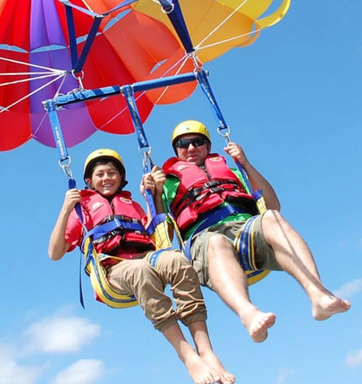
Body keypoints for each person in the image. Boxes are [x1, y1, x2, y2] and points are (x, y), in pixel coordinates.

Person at [48, 149, 235, 384]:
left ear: (121, 177)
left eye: (112, 173)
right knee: (140, 270)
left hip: (147, 257)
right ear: (89, 181)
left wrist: (155, 195)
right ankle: (186, 354)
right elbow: (54, 253)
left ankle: (206, 350)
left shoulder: (132, 205)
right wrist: (66, 208)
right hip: (113, 269)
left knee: (176, 258)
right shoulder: (82, 209)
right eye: (100, 174)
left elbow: (161, 237)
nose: (107, 178)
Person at [162, 121, 350, 343]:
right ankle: (248, 314)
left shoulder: (232, 172)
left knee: (273, 218)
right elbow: (164, 236)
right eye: (183, 144)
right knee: (216, 242)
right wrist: (152, 194)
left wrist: (245, 163)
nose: (191, 148)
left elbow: (272, 205)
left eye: (198, 142)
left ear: (208, 146)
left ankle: (317, 294)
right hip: (205, 238)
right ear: (176, 151)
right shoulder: (167, 184)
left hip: (246, 231)